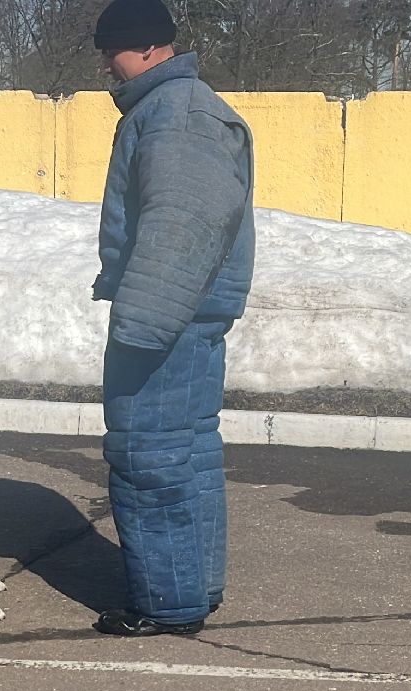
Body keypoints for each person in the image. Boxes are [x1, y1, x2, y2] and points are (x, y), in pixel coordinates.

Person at [89, 0, 255, 637]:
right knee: (187, 456)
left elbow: (184, 222)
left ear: (146, 47)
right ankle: (192, 588)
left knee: (149, 456)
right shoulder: (178, 108)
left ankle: (165, 603)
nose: (105, 61)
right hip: (187, 318)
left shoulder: (176, 113)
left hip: (166, 320)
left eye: (112, 49)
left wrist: (141, 323)